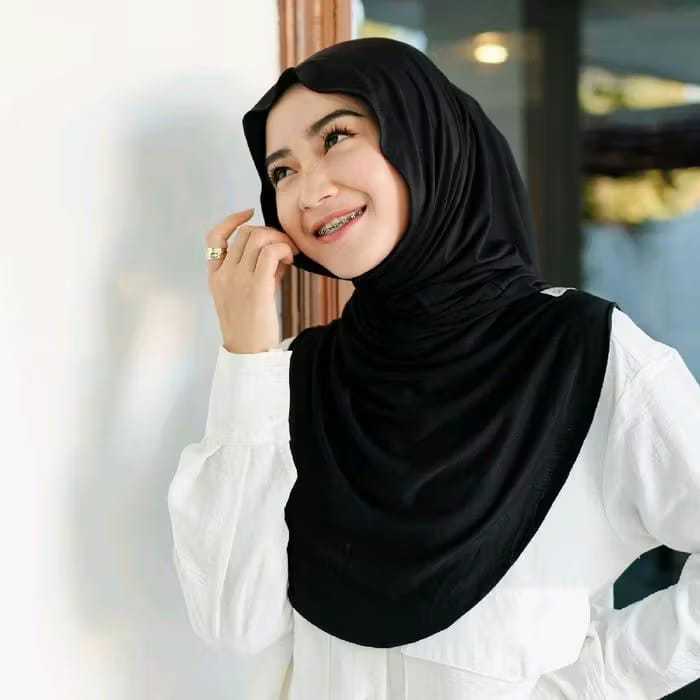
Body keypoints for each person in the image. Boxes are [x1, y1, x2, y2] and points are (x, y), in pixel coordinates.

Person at [167, 37, 700, 699]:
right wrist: (246, 356)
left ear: (424, 139)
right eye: (282, 172)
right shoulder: (297, 377)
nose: (308, 189)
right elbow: (234, 622)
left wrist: (593, 680)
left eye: (336, 137)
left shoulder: (578, 353)